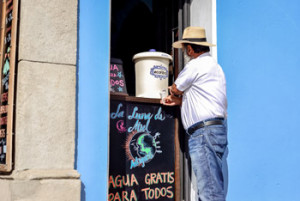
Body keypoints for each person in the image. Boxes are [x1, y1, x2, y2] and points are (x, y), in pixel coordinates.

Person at [161, 27, 228, 201]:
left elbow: (176, 87)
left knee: (209, 192)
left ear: (190, 49)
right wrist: (180, 101)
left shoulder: (195, 65)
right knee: (212, 186)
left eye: (185, 49)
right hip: (215, 130)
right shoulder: (215, 67)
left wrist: (173, 93)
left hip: (203, 133)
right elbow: (204, 99)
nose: (185, 52)